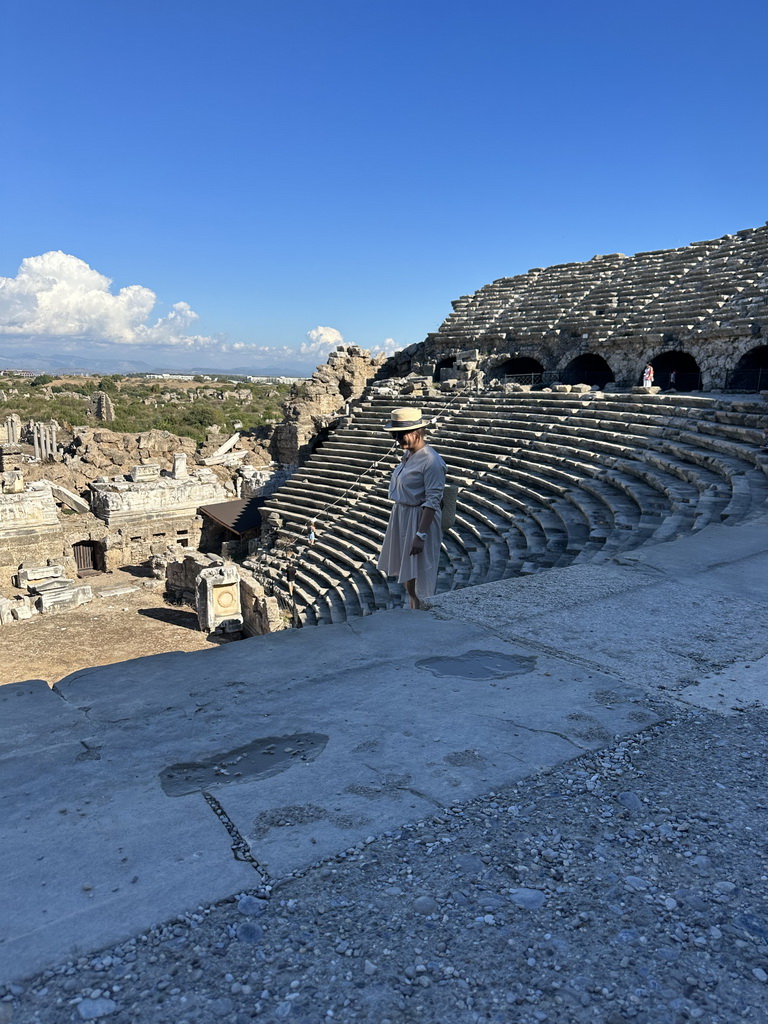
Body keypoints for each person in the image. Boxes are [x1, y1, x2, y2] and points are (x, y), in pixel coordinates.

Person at [378, 407, 446, 610]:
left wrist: (421, 535)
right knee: (406, 567)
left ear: (418, 431)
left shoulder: (432, 461)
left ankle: (423, 611)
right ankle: (413, 605)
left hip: (420, 518)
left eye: (402, 435)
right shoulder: (408, 455)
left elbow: (433, 500)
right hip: (402, 515)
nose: (398, 440)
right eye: (395, 435)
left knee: (422, 569)